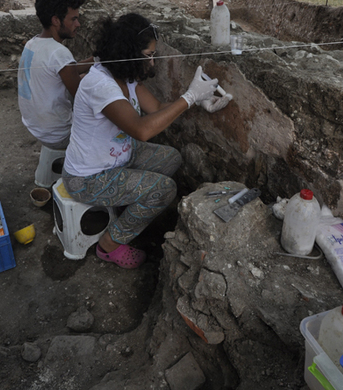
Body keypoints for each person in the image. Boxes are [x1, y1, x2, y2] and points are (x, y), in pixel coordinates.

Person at [62, 14, 231, 268]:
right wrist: (189, 96)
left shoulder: (127, 77)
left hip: (114, 160)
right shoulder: (99, 84)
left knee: (172, 157)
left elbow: (158, 108)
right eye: (148, 55)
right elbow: (141, 130)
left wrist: (197, 101)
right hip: (86, 178)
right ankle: (109, 245)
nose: (152, 63)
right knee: (164, 190)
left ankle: (125, 210)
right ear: (127, 52)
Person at [17, 0, 93, 150]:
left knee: (88, 74)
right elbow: (82, 98)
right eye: (73, 19)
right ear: (56, 20)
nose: (78, 24)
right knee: (94, 83)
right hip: (59, 135)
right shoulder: (59, 52)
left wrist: (95, 60)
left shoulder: (33, 43)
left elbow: (67, 70)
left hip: (36, 127)